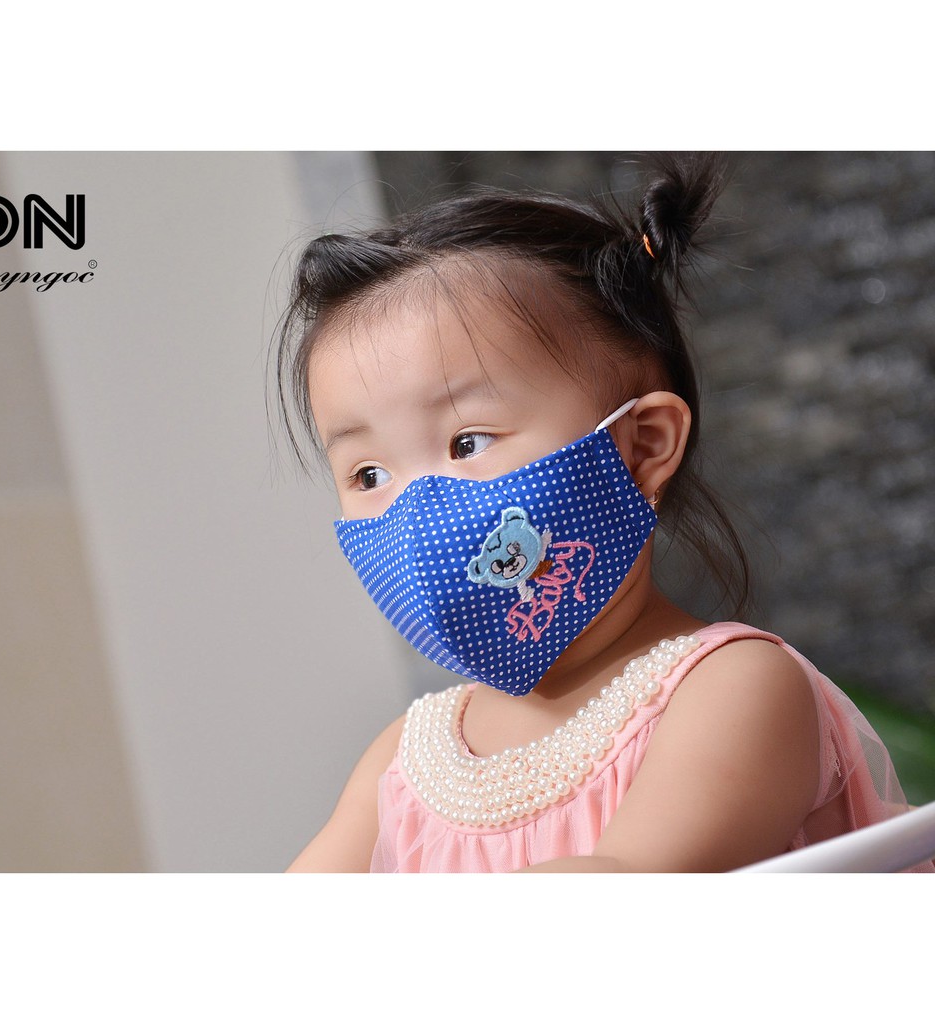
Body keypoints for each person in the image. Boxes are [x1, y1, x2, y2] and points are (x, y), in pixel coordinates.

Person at [275, 154, 930, 873]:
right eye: (368, 474)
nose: (415, 509)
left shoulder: (732, 687)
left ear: (640, 446)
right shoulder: (403, 765)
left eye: (467, 442)